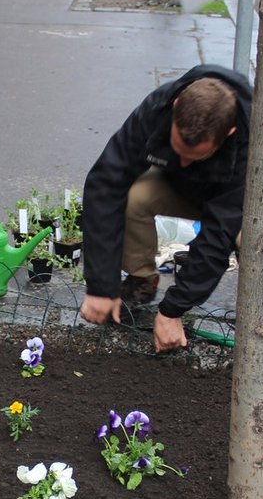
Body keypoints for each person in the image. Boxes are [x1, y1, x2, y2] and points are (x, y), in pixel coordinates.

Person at [78, 65, 252, 354]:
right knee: (136, 197)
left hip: (236, 206)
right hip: (184, 189)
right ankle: (142, 280)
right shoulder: (157, 107)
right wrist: (101, 285)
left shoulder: (249, 137)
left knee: (253, 243)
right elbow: (106, 183)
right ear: (176, 107)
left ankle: (257, 322)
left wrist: (173, 310)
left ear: (229, 133)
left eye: (195, 156)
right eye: (177, 150)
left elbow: (217, 234)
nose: (183, 162)